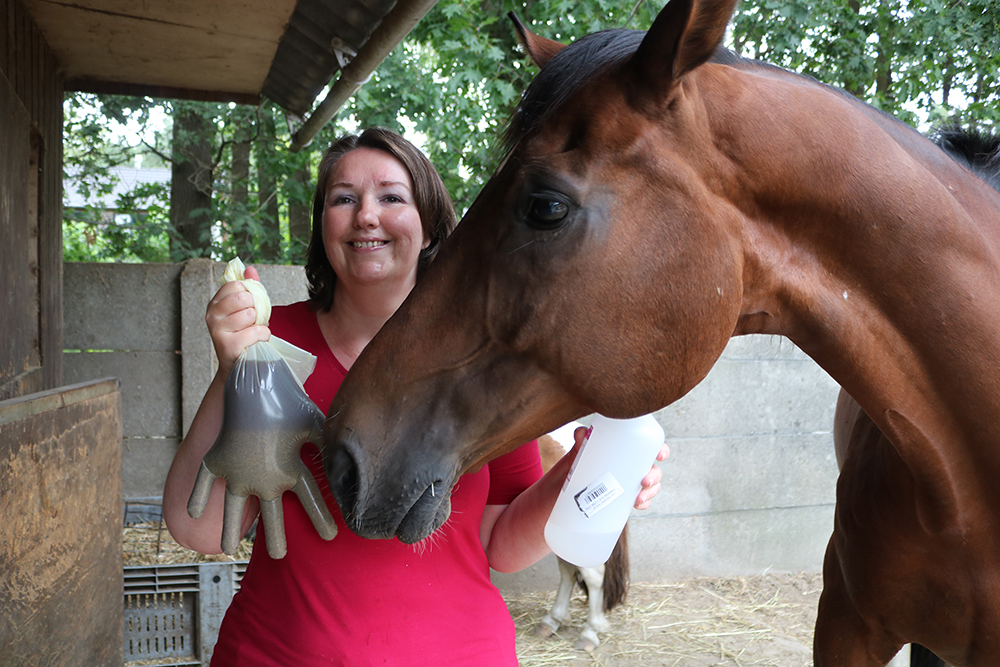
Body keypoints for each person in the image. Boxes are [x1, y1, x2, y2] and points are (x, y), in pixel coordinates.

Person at [162, 127, 668, 666]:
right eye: (343, 198)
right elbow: (198, 530)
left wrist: (577, 474)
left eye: (391, 196)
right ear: (323, 226)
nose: (366, 215)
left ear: (429, 228)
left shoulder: (483, 352)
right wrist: (237, 366)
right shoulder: (270, 340)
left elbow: (500, 542)